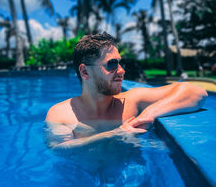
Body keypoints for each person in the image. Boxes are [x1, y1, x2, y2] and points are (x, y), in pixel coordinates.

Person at [45, 32, 207, 150]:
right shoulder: (60, 114)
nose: (121, 71)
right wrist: (114, 133)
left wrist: (147, 114)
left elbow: (196, 92)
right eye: (112, 64)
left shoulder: (132, 101)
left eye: (121, 63)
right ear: (85, 72)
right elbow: (60, 149)